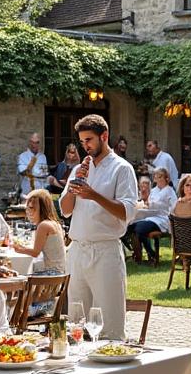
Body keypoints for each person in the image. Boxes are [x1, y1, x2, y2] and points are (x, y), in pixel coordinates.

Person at [60, 115, 137, 340]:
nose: (86, 146)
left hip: (105, 251)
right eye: (82, 141)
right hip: (77, 251)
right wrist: (74, 190)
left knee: (108, 321)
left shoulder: (122, 169)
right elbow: (65, 209)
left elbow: (126, 212)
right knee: (76, 320)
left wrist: (93, 195)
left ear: (104, 136)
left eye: (89, 140)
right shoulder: (78, 170)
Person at [11, 190, 67, 275]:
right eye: (27, 208)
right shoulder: (54, 223)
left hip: (51, 273)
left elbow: (35, 252)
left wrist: (18, 249)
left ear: (41, 209)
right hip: (60, 272)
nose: (28, 212)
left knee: (16, 277)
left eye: (31, 208)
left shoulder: (43, 225)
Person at [131, 167, 176, 264]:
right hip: (150, 216)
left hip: (162, 219)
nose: (158, 179)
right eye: (156, 177)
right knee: (131, 226)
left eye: (160, 177)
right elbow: (149, 204)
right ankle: (144, 256)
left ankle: (149, 255)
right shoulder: (154, 191)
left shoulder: (169, 191)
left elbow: (174, 208)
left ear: (166, 178)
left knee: (139, 228)